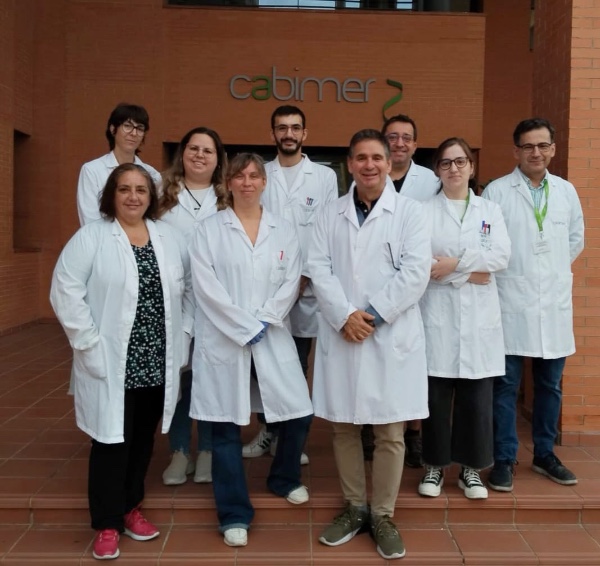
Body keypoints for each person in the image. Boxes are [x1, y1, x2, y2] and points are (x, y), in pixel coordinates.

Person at [50, 163, 194, 561]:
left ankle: (131, 508)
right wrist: (87, 342)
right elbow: (65, 290)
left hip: (156, 358)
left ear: (151, 197)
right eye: (125, 189)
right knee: (111, 440)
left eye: (141, 190)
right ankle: (107, 523)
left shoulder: (169, 237)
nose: (133, 196)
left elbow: (189, 290)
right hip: (112, 358)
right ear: (111, 195)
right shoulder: (92, 237)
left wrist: (185, 333)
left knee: (143, 438)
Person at [309, 129, 430, 560]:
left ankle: (382, 514)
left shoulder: (411, 213)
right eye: (360, 158)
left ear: (389, 162)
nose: (369, 165)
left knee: (390, 431)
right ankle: (354, 507)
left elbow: (415, 272)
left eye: (377, 157)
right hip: (343, 330)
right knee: (343, 425)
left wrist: (372, 316)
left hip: (388, 334)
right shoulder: (330, 213)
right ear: (349, 164)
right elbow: (318, 267)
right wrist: (345, 315)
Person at [188, 153, 313, 548]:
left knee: (299, 412)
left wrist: (265, 319)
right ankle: (233, 513)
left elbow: (291, 281)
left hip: (271, 333)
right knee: (225, 426)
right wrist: (244, 326)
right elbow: (206, 288)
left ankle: (284, 478)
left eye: (254, 176)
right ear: (228, 183)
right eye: (239, 176)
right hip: (224, 337)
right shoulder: (208, 230)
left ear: (264, 182)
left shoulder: (283, 229)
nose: (247, 182)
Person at [483, 118, 584, 491]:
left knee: (550, 385)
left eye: (542, 145)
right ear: (516, 151)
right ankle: (504, 457)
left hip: (552, 303)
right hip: (510, 303)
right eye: (528, 146)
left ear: (553, 149)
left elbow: (575, 239)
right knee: (505, 386)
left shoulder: (566, 192)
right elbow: (488, 244)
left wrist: (548, 273)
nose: (536, 153)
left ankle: (544, 453)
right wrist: (526, 275)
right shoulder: (497, 192)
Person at [417, 138, 511, 500]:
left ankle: (471, 470)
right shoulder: (423, 211)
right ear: (437, 170)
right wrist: (473, 272)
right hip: (437, 318)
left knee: (476, 400)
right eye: (446, 163)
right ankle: (434, 466)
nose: (453, 168)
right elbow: (422, 264)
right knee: (436, 399)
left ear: (471, 167)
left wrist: (455, 265)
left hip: (478, 322)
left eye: (460, 162)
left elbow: (501, 256)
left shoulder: (491, 210)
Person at [243, 105, 338, 464]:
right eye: (282, 128)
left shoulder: (324, 177)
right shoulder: (260, 174)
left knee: (297, 364)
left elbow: (327, 232)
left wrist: (303, 277)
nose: (288, 134)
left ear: (304, 134)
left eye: (295, 128)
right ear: (272, 134)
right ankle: (268, 430)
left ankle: (292, 440)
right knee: (262, 364)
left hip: (307, 288)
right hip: (265, 288)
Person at [159, 127, 227, 486]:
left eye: (208, 150)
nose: (200, 155)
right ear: (182, 153)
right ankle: (180, 450)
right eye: (193, 148)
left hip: (217, 303)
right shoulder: (161, 193)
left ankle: (209, 451)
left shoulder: (228, 197)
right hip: (174, 299)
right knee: (180, 378)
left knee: (212, 379)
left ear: (218, 159)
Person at [375, 113, 438, 468]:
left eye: (406, 137)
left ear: (415, 144)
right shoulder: (371, 175)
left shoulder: (430, 181)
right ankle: (372, 428)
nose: (399, 143)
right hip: (375, 290)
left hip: (418, 289)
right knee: (376, 361)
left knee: (413, 365)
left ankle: (413, 433)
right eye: (392, 137)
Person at [77, 103, 162, 226]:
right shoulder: (92, 170)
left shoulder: (153, 174)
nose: (134, 133)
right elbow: (90, 220)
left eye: (140, 128)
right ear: (113, 129)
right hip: (102, 237)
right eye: (127, 126)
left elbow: (154, 217)